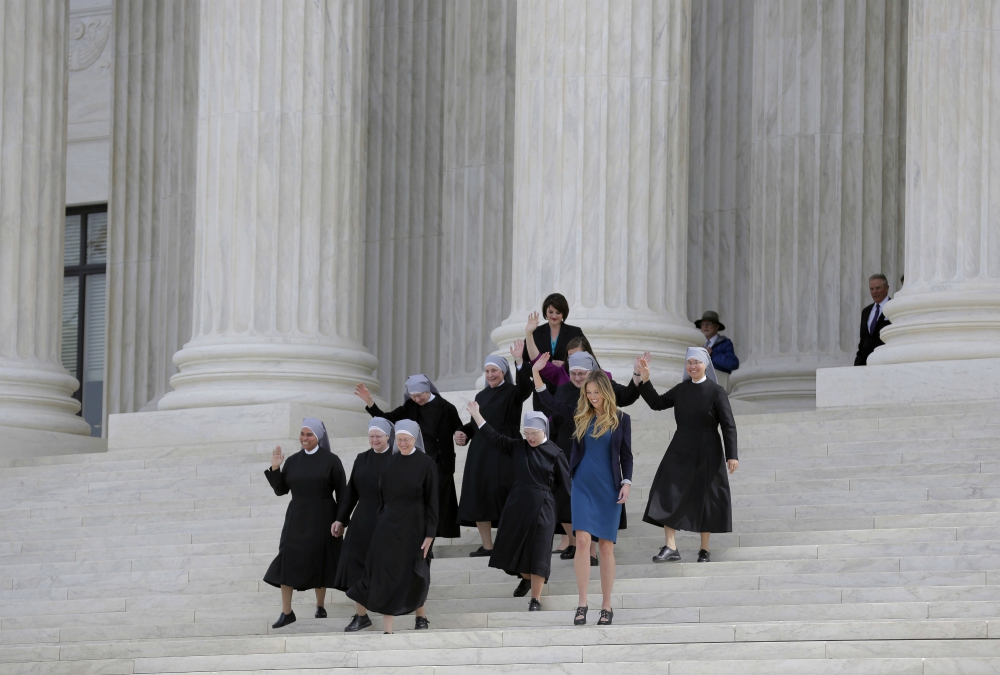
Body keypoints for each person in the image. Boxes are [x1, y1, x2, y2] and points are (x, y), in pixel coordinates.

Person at [532, 354, 632, 627]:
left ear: (606, 392)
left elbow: (627, 456)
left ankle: (607, 606)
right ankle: (582, 603)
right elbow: (548, 401)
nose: (592, 397)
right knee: (584, 542)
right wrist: (537, 372)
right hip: (583, 486)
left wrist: (627, 482)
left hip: (609, 488)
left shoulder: (622, 419)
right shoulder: (580, 415)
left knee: (606, 547)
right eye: (588, 393)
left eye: (596, 392)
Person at [528, 325, 644, 559]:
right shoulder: (571, 402)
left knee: (603, 535)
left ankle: (594, 552)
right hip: (575, 459)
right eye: (573, 373)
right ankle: (583, 550)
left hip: (604, 466)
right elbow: (550, 404)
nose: (579, 379)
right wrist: (537, 373)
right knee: (578, 514)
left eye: (583, 373)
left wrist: (638, 375)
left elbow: (626, 451)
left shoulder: (617, 414)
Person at [636, 347, 738, 564]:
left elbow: (728, 425)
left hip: (709, 447)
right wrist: (645, 380)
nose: (692, 366)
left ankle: (704, 549)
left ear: (705, 365)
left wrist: (732, 455)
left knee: (706, 497)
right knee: (667, 490)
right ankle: (670, 546)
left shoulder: (716, 391)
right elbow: (657, 403)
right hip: (681, 447)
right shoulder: (681, 389)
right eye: (689, 362)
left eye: (697, 362)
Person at [466, 405, 572, 609]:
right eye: (527, 433)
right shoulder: (518, 447)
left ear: (544, 431)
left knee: (539, 553)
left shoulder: (555, 453)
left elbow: (566, 487)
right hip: (517, 505)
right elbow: (494, 438)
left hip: (544, 507)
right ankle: (527, 578)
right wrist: (477, 415)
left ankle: (536, 599)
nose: (530, 437)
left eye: (534, 433)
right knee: (510, 551)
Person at [346, 420, 438, 634]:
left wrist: (430, 533)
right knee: (386, 572)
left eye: (407, 439)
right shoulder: (389, 463)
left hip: (416, 525)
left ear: (415, 439)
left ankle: (421, 617)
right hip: (389, 525)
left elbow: (432, 502)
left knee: (417, 571)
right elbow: (382, 498)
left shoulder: (426, 463)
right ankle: (388, 630)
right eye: (400, 439)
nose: (403, 443)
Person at [355, 375, 461, 540]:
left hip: (440, 462)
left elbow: (459, 427)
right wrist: (369, 401)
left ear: (428, 390)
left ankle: (436, 535)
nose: (417, 399)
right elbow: (386, 420)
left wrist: (460, 434)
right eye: (413, 396)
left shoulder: (446, 407)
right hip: (417, 461)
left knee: (440, 501)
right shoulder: (410, 407)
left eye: (420, 395)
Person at [263, 418, 346, 629]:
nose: (305, 438)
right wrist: (275, 468)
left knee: (320, 561)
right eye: (302, 434)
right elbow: (281, 490)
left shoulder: (331, 460)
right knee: (287, 561)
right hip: (297, 518)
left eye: (309, 434)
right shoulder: (292, 461)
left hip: (323, 517)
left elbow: (343, 493)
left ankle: (320, 605)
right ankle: (286, 612)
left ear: (318, 437)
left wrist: (341, 520)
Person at [454, 342, 533, 556]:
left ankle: (510, 543)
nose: (490, 375)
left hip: (504, 448)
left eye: (494, 371)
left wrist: (519, 361)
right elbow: (473, 424)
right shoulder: (481, 396)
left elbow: (527, 387)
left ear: (503, 372)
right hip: (480, 452)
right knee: (479, 495)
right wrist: (462, 433)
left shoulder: (513, 392)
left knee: (506, 495)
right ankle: (488, 546)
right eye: (487, 371)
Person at [331, 418, 394, 632]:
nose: (375, 440)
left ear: (388, 436)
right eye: (371, 436)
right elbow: (351, 492)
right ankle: (361, 615)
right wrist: (341, 519)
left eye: (379, 436)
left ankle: (392, 609)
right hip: (362, 519)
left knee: (387, 566)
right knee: (354, 565)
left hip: (389, 519)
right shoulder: (362, 458)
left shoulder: (397, 458)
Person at [523, 293, 585, 367]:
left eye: (558, 312)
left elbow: (587, 358)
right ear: (545, 312)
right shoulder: (535, 332)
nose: (554, 316)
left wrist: (567, 365)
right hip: (540, 377)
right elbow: (524, 359)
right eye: (550, 312)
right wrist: (528, 332)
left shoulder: (575, 332)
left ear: (563, 313)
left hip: (567, 377)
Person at [855, 274, 892, 366]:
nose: (874, 292)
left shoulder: (893, 308)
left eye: (878, 288)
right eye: (872, 289)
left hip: (885, 361)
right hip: (864, 363)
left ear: (887, 288)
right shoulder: (866, 311)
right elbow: (863, 340)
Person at [694, 311, 739, 381]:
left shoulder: (725, 343)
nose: (705, 326)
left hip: (718, 380)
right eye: (703, 324)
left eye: (709, 323)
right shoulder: (697, 343)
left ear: (717, 327)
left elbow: (733, 364)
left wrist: (712, 354)